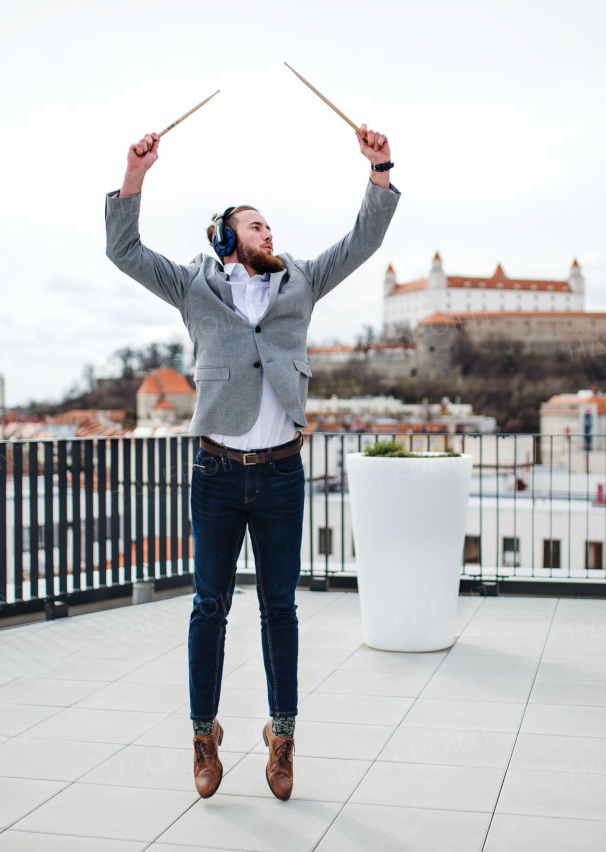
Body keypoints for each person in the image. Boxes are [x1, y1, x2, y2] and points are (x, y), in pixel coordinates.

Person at [105, 124, 399, 800]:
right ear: (227, 237)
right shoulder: (193, 287)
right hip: (214, 473)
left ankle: (283, 736)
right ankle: (204, 737)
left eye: (271, 225)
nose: (270, 233)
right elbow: (122, 248)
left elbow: (364, 239)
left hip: (279, 473)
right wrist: (135, 175)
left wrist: (379, 168)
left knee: (278, 608)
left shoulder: (301, 280)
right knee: (209, 606)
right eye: (257, 225)